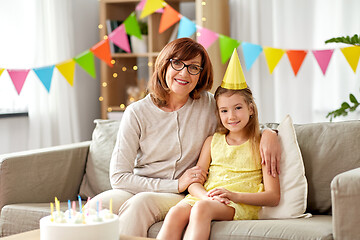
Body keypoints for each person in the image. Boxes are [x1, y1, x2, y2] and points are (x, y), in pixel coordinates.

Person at [88, 38, 281, 237]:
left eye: (194, 67)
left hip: (183, 194)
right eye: (177, 63)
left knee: (141, 204)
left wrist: (270, 134)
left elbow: (239, 124)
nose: (184, 73)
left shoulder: (208, 105)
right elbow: (119, 177)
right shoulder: (137, 112)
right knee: (96, 207)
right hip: (147, 186)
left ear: (201, 74)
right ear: (164, 65)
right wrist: (175, 183)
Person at [157, 50, 280, 240]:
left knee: (201, 209)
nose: (231, 116)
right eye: (224, 110)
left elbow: (273, 196)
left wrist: (233, 196)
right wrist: (206, 196)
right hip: (207, 198)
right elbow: (194, 182)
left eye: (238, 108)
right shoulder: (212, 141)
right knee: (175, 213)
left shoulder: (261, 143)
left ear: (251, 109)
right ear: (218, 114)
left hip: (238, 202)